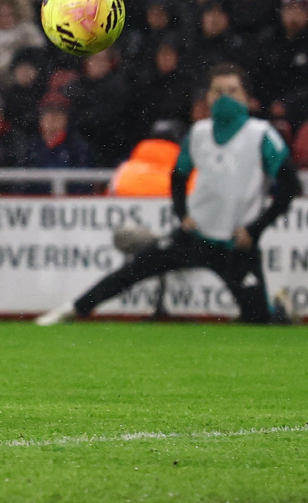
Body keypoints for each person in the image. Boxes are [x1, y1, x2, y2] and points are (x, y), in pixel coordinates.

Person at [38, 64, 301, 326]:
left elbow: (290, 187)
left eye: (232, 91)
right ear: (208, 97)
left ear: (246, 96)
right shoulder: (198, 134)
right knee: (133, 270)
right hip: (195, 234)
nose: (224, 98)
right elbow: (178, 177)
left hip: (236, 243)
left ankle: (277, 309)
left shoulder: (262, 135)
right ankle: (72, 309)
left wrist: (255, 229)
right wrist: (182, 214)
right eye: (217, 91)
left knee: (258, 320)